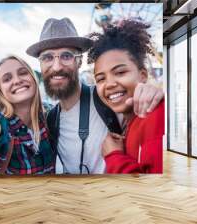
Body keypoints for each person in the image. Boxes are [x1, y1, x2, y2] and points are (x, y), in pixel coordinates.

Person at [26, 18, 164, 174]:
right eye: (47, 57)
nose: (56, 66)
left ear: (79, 61)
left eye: (66, 56)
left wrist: (153, 93)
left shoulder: (108, 99)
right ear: (40, 64)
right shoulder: (51, 119)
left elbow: (140, 103)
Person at [88, 19, 164, 173]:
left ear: (143, 75)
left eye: (120, 72)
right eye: (101, 79)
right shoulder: (132, 120)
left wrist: (113, 156)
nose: (109, 84)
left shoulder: (156, 117)